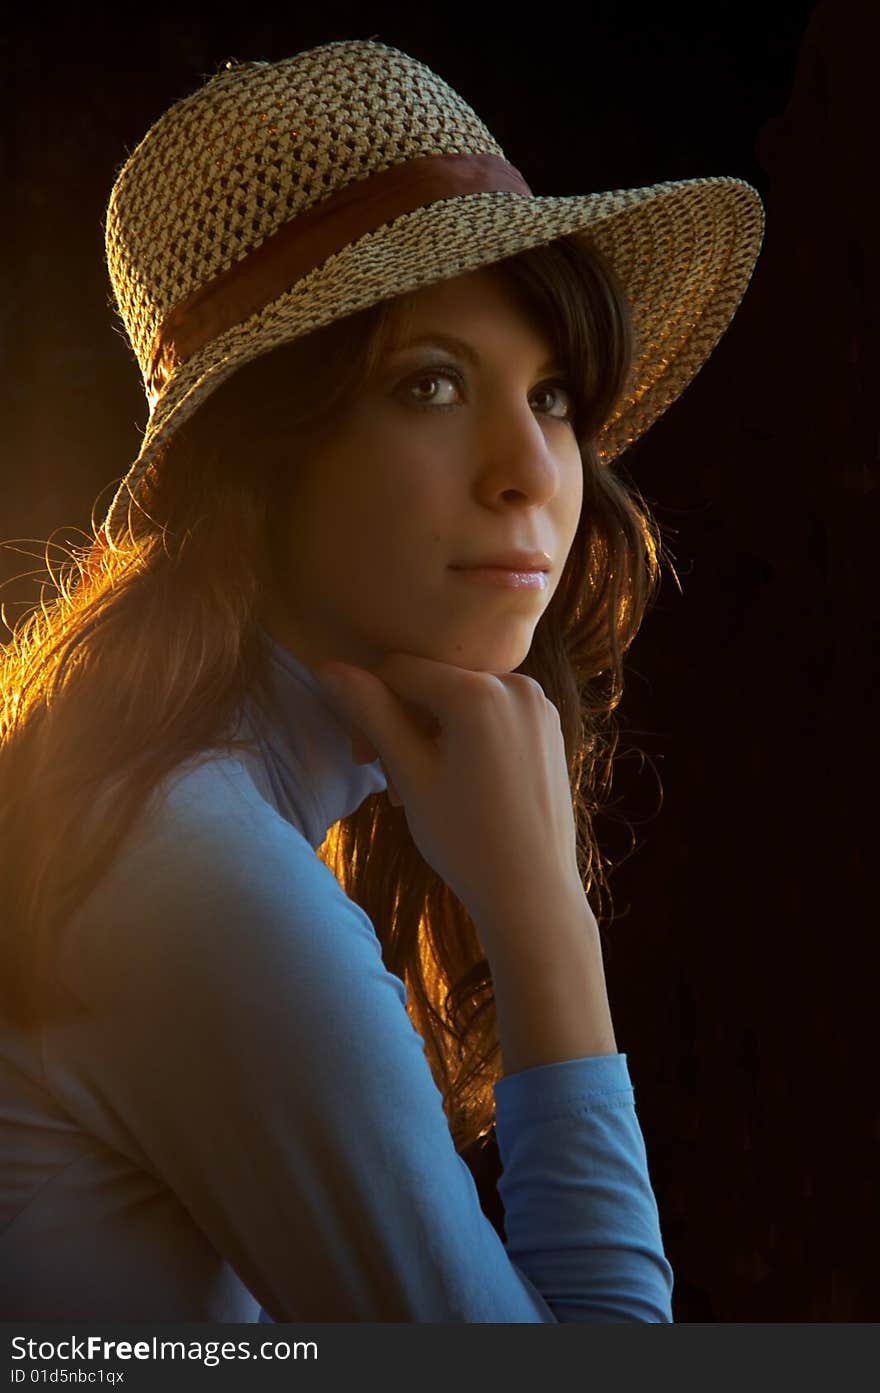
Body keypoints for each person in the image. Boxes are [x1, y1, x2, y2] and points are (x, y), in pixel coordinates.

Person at [0, 38, 764, 1321]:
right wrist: (542, 923)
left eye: (555, 395)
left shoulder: (168, 813)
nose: (530, 470)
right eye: (429, 385)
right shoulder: (197, 876)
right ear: (259, 458)